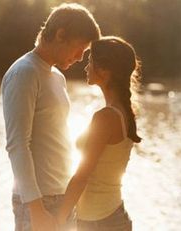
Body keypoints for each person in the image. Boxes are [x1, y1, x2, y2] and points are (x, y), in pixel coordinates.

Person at [1, 3, 100, 231]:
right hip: (38, 202)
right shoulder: (24, 73)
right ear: (60, 35)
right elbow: (17, 146)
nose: (80, 58)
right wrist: (36, 210)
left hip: (63, 198)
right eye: (80, 49)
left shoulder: (57, 77)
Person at [55, 36, 142, 230]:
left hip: (101, 223)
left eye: (90, 61)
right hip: (108, 218)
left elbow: (82, 175)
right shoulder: (123, 110)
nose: (86, 67)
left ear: (104, 70)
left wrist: (58, 219)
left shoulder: (105, 118)